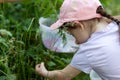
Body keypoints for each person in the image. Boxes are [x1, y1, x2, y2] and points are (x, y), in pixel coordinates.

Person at [36, 0, 120, 80]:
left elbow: (64, 76)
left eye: (73, 35)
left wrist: (45, 73)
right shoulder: (115, 24)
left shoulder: (88, 50)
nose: (76, 42)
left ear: (79, 25)